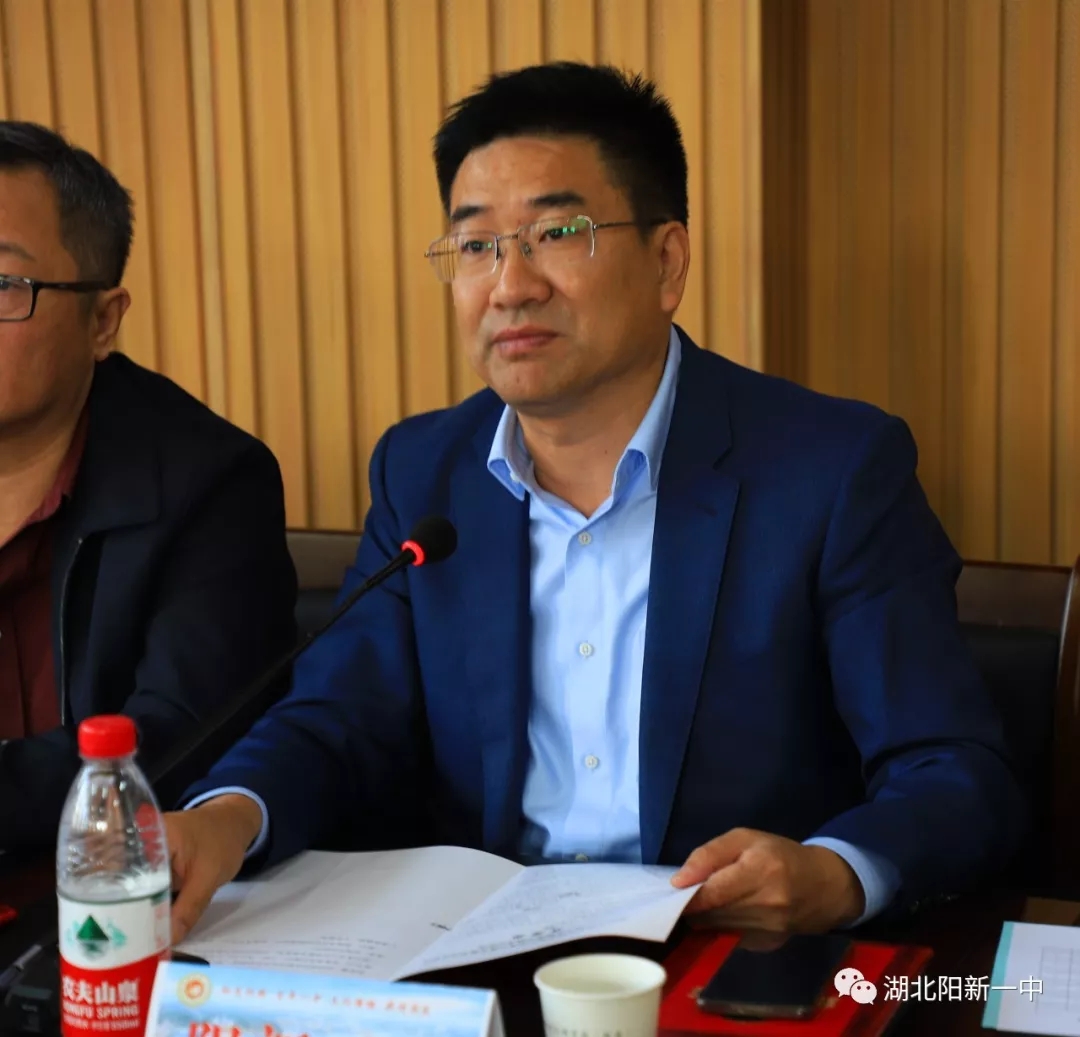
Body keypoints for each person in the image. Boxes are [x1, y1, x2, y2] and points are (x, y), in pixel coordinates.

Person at [167, 63, 1026, 941]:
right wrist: (224, 818)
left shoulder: (831, 470)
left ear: (666, 261)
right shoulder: (424, 470)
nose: (510, 285)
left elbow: (953, 769)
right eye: (476, 246)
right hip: (480, 950)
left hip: (726, 947)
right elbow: (337, 717)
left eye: (556, 233)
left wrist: (836, 872)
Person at [0, 121, 298, 850]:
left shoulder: (211, 486)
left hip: (112, 892)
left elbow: (175, 743)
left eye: (4, 285)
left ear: (103, 320)